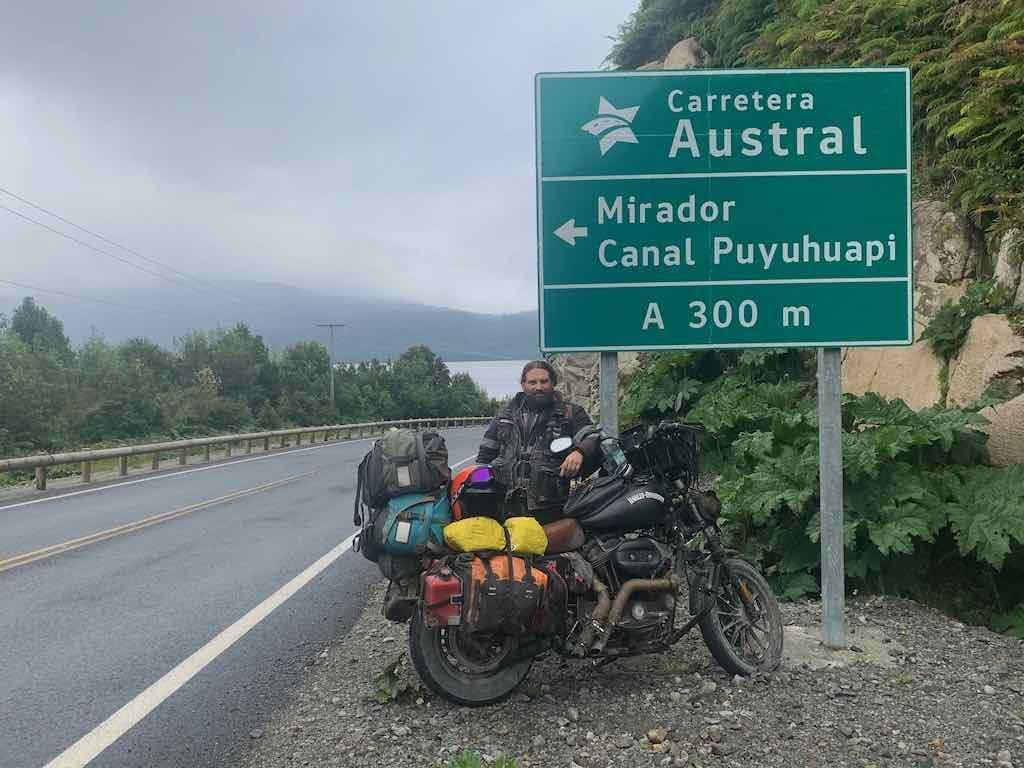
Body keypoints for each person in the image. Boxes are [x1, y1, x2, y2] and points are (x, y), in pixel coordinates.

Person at [476, 360, 595, 524]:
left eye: (544, 381)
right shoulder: (505, 414)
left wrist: (579, 452)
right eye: (532, 382)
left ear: (553, 383)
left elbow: (592, 437)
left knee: (545, 546)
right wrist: (481, 485)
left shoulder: (570, 412)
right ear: (523, 384)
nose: (538, 387)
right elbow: (485, 456)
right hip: (504, 504)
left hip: (550, 508)